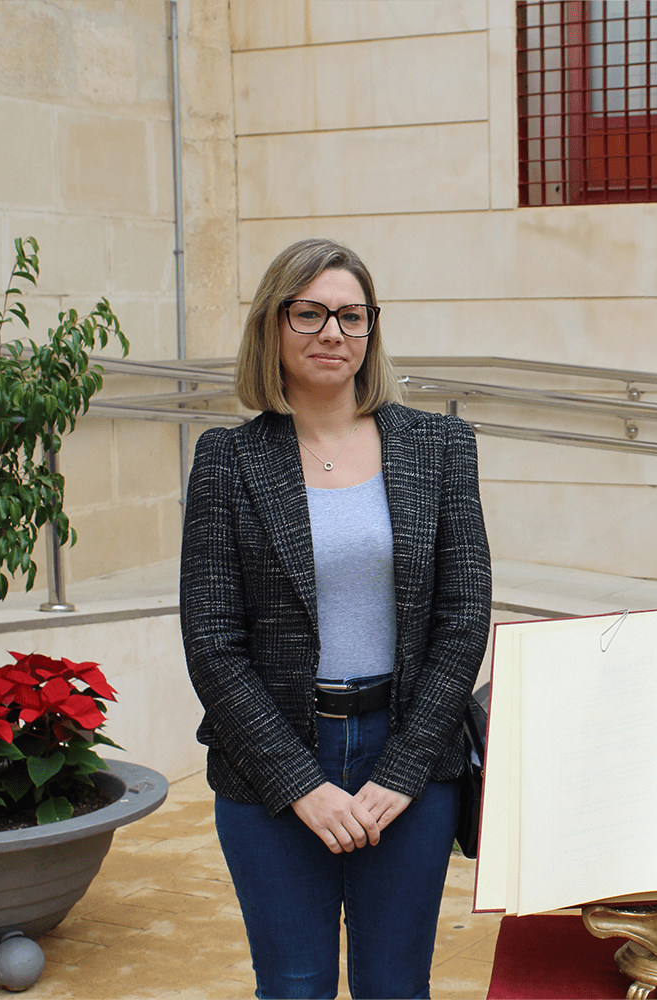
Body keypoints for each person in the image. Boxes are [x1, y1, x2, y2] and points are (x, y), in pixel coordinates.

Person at [180, 238, 492, 999]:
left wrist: (403, 770)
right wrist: (299, 783)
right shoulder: (227, 459)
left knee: (396, 987)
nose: (332, 333)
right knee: (294, 985)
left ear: (371, 329)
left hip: (409, 752)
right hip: (272, 761)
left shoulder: (440, 447)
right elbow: (213, 641)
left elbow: (463, 616)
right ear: (273, 324)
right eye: (310, 313)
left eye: (352, 316)